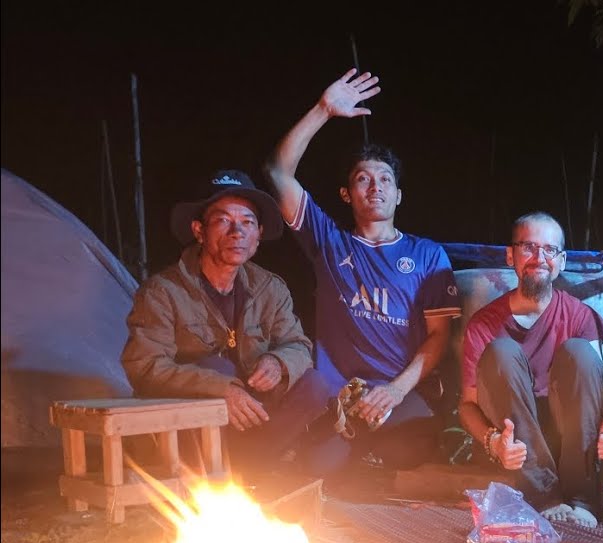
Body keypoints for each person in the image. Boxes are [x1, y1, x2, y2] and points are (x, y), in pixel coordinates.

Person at [265, 69, 461, 477]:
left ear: (399, 194)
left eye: (385, 179)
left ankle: (374, 457)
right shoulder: (329, 243)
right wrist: (323, 110)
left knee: (411, 451)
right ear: (347, 194)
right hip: (339, 396)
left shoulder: (427, 255)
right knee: (322, 470)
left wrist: (393, 391)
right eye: (363, 179)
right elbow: (279, 173)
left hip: (400, 392)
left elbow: (439, 337)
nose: (376, 187)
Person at [121, 169, 329, 475]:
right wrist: (218, 388)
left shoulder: (269, 288)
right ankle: (232, 472)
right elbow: (144, 366)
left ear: (258, 235)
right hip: (189, 428)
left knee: (314, 385)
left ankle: (247, 469)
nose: (237, 232)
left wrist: (278, 362)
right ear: (199, 230)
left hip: (254, 422)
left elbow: (298, 345)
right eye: (222, 221)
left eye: (247, 223)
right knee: (217, 367)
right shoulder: (163, 291)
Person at [457, 212, 603, 527]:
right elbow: (467, 405)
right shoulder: (485, 323)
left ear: (561, 260)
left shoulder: (580, 316)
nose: (539, 258)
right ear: (511, 256)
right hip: (517, 446)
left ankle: (581, 498)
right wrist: (492, 442)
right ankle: (544, 496)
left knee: (579, 352)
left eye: (549, 250)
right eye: (528, 247)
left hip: (571, 440)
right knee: (501, 352)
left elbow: (601, 389)